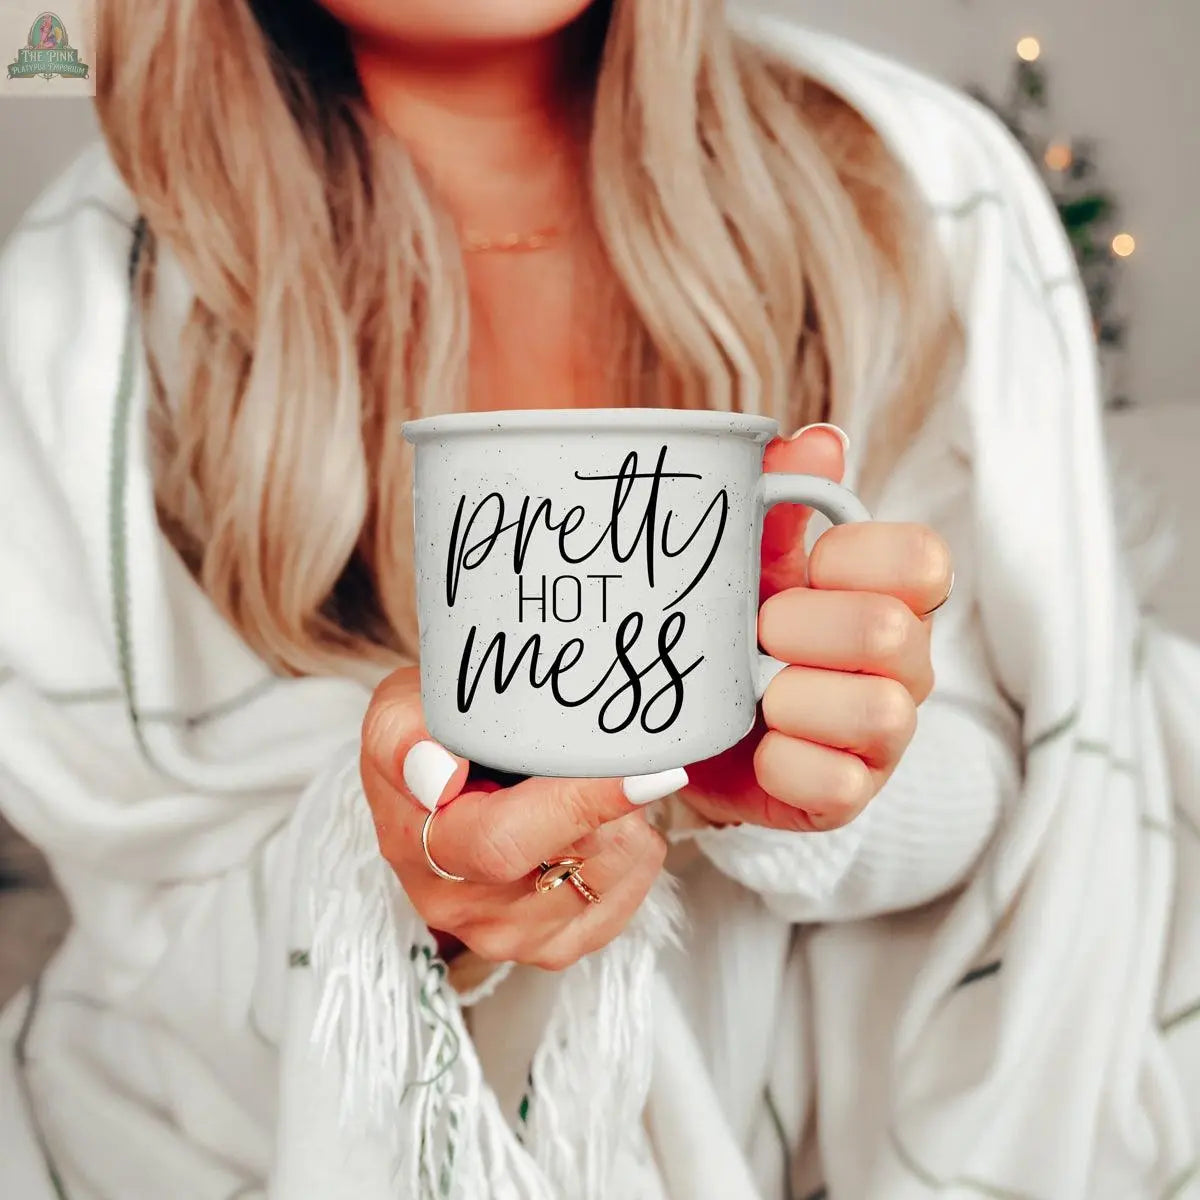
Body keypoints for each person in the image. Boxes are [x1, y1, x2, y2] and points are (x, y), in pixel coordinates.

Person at [0, 1, 1197, 1198]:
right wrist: (394, 897)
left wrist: (822, 768)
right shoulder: (82, 324)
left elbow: (1030, 786)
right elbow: (161, 943)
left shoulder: (912, 180)